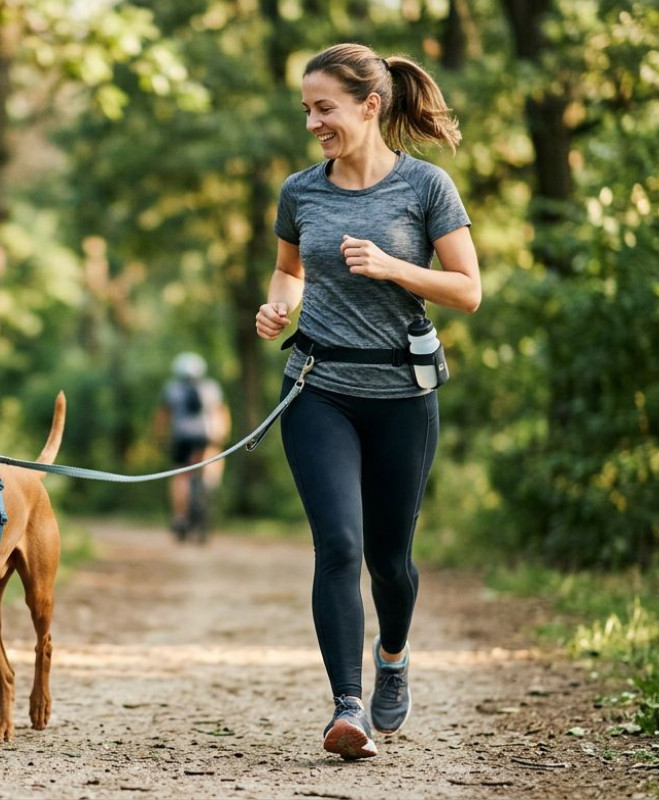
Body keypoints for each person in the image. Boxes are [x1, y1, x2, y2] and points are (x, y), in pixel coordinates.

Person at [253, 43, 481, 760]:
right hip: (317, 386)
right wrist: (278, 307)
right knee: (339, 546)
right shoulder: (301, 191)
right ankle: (346, 707)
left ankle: (393, 655)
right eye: (307, 111)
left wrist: (392, 267)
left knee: (390, 559)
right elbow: (289, 269)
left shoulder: (426, 188)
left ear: (369, 104)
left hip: (400, 395)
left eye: (325, 108)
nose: (314, 122)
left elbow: (468, 290)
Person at [156, 352, 230, 542]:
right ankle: (208, 485)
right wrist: (222, 435)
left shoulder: (172, 388)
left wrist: (160, 437)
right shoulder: (211, 388)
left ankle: (180, 517)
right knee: (208, 467)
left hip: (181, 438)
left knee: (180, 475)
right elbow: (221, 412)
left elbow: (163, 417)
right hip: (206, 437)